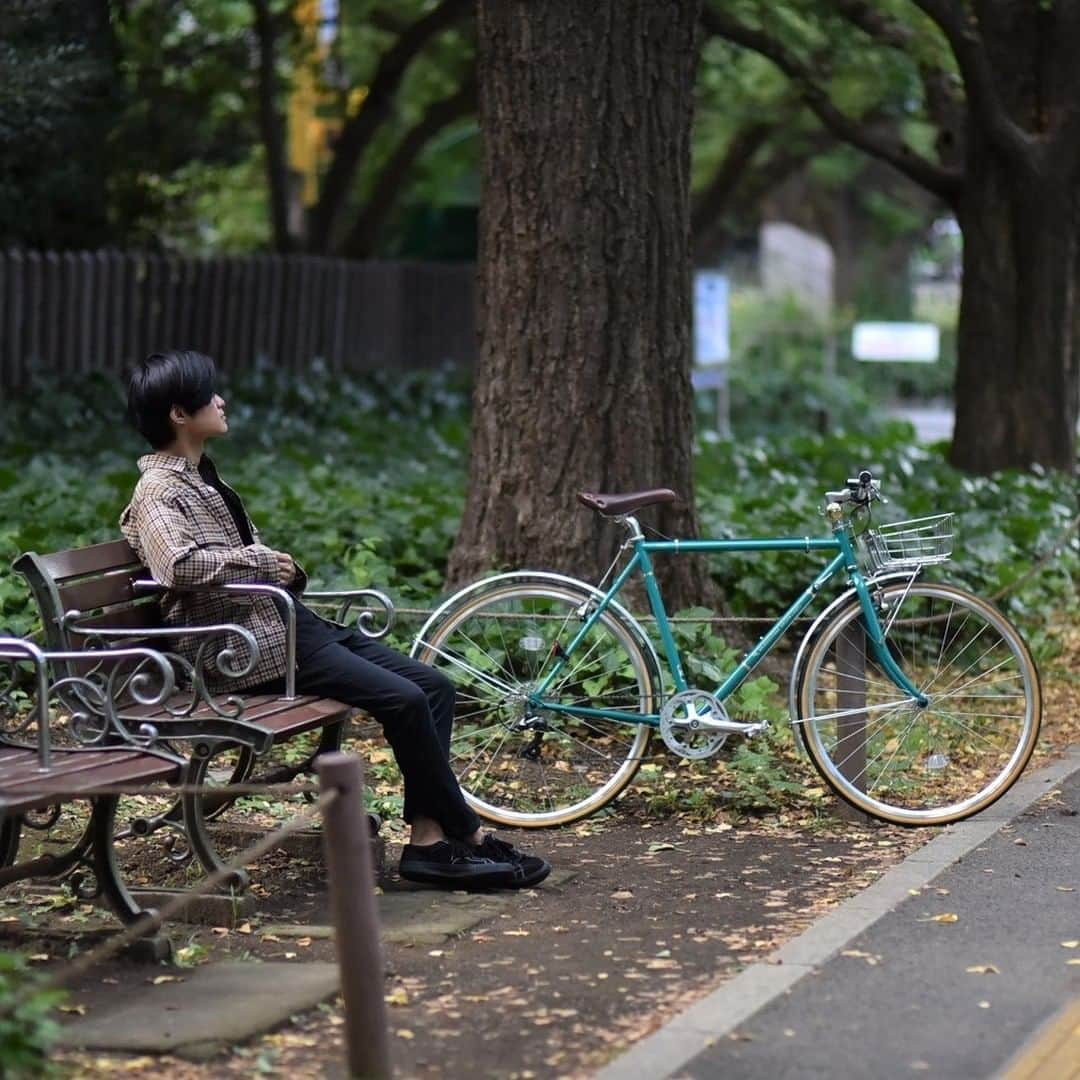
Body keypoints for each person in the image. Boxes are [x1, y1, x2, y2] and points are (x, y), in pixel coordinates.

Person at [121, 349, 550, 890]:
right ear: (179, 414)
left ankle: (429, 844)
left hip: (285, 629)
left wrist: (284, 567)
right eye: (209, 395)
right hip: (245, 651)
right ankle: (467, 834)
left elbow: (243, 557)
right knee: (406, 700)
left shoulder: (202, 479)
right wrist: (260, 561)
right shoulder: (158, 490)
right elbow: (176, 566)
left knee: (434, 687)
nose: (222, 401)